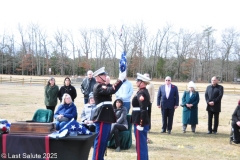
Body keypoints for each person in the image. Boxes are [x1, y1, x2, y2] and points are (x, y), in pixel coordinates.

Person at [91, 66, 126, 160]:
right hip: (102, 117)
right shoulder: (98, 86)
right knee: (100, 142)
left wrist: (116, 81)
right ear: (98, 77)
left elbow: (110, 88)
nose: (106, 76)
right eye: (103, 75)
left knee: (104, 141)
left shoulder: (103, 86)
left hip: (106, 117)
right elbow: (112, 90)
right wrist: (120, 80)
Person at [132, 73, 151, 160]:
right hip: (139, 120)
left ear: (142, 82)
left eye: (138, 81)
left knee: (140, 146)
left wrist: (141, 124)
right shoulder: (142, 91)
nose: (136, 82)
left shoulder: (141, 93)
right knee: (142, 145)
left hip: (139, 121)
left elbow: (143, 109)